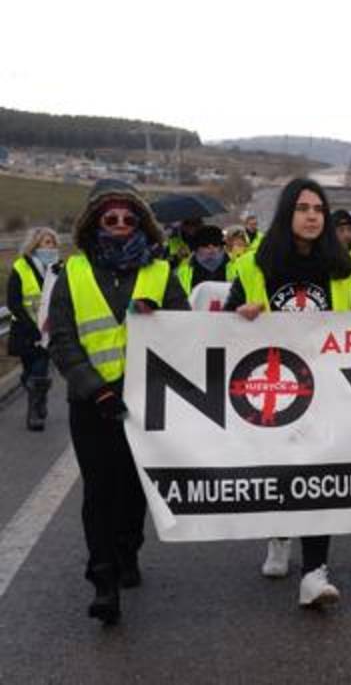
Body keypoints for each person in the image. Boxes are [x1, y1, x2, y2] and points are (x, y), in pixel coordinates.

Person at [225, 178, 351, 609]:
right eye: (303, 208)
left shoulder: (342, 266)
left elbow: (349, 322)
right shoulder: (256, 265)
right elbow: (220, 328)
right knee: (281, 474)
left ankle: (314, 572)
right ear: (287, 214)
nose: (312, 216)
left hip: (325, 387)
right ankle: (279, 535)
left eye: (319, 209)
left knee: (319, 477)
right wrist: (242, 316)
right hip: (276, 387)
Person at [47, 179, 189, 625]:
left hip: (146, 402)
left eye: (130, 218)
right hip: (93, 403)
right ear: (94, 223)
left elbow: (188, 332)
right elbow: (63, 339)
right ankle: (103, 579)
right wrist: (95, 388)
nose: (122, 225)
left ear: (142, 223)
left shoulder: (160, 272)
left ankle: (128, 551)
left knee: (132, 489)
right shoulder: (72, 273)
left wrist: (161, 317)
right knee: (99, 490)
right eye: (111, 218)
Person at [6, 226, 61, 430]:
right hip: (25, 330)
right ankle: (37, 394)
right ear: (35, 245)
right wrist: (32, 327)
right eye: (47, 243)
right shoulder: (20, 267)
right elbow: (14, 302)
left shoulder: (59, 268)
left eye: (54, 242)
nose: (52, 247)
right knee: (29, 372)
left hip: (48, 331)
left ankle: (35, 414)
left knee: (40, 370)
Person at [176, 225, 235, 294]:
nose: (211, 248)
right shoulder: (184, 270)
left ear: (221, 246)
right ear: (197, 247)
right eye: (205, 245)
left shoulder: (235, 263)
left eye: (215, 244)